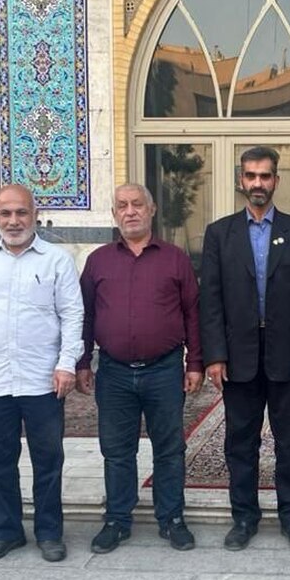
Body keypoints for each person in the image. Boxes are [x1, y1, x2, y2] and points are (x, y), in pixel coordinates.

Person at [199, 145, 290, 551]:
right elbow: (210, 301)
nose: (258, 183)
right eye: (251, 175)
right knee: (240, 442)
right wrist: (215, 355)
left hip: (288, 357)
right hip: (238, 359)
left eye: (265, 176)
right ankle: (243, 517)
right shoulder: (219, 234)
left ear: (276, 181)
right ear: (241, 180)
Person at [0, 185, 84, 563]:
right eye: (6, 214)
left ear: (35, 214)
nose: (14, 221)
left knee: (48, 459)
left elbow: (72, 314)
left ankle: (49, 533)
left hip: (43, 379)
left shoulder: (57, 260)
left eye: (21, 213)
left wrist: (66, 363)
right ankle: (6, 532)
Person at [75, 183, 204, 554]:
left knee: (169, 449)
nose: (130, 211)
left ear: (151, 210)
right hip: (113, 372)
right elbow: (85, 314)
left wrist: (194, 362)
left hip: (164, 370)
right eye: (122, 206)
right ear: (114, 214)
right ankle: (117, 520)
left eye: (137, 204)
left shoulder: (175, 259)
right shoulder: (98, 261)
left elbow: (193, 313)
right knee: (117, 451)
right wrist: (82, 362)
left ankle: (172, 519)